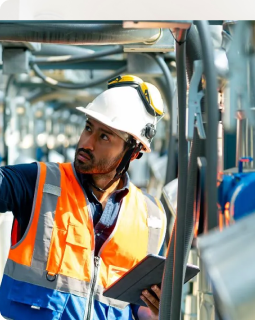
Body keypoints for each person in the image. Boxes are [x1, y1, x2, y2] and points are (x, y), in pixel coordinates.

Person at [0, 75, 167, 320]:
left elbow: (141, 310)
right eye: (89, 127)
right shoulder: (37, 183)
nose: (86, 143)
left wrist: (158, 309)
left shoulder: (151, 218)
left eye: (104, 136)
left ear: (133, 152)